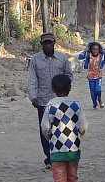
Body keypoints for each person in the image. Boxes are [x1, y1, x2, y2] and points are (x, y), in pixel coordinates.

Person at [41, 74, 88, 182]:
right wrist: (78, 138)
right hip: (73, 149)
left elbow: (45, 128)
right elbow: (84, 126)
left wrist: (51, 139)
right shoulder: (76, 105)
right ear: (70, 88)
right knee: (73, 179)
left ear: (53, 89)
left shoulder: (50, 106)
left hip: (56, 149)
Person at [28, 33, 73, 169]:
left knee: (61, 130)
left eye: (50, 43)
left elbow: (69, 75)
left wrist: (65, 89)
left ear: (54, 43)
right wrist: (33, 97)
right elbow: (32, 80)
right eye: (45, 43)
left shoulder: (62, 58)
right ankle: (50, 158)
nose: (48, 45)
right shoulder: (35, 60)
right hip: (43, 102)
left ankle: (60, 157)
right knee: (45, 130)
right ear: (41, 45)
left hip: (60, 101)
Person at [77, 42, 105, 110]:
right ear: (91, 50)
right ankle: (94, 105)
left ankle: (99, 99)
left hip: (99, 76)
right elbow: (80, 57)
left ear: (99, 50)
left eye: (97, 49)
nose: (95, 51)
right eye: (93, 49)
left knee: (98, 90)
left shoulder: (101, 55)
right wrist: (84, 51)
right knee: (92, 92)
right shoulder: (88, 54)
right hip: (90, 76)